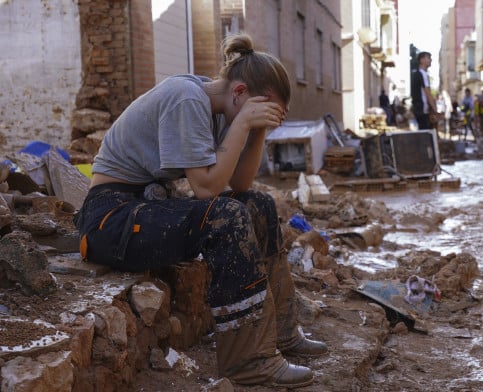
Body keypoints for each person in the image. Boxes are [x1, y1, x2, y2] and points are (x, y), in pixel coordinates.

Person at [73, 33, 327, 388]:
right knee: (226, 216)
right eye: (261, 107)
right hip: (109, 219)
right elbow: (206, 190)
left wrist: (256, 132)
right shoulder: (186, 99)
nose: (260, 116)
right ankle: (248, 361)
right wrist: (242, 123)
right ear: (239, 93)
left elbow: (239, 185)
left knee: (259, 205)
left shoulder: (222, 108)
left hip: (147, 205)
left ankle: (282, 334)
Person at [410, 51, 440, 129]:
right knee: (426, 133)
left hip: (418, 108)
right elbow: (427, 93)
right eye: (428, 58)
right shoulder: (422, 74)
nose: (430, 60)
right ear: (422, 60)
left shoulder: (417, 74)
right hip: (422, 109)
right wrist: (435, 109)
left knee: (423, 132)